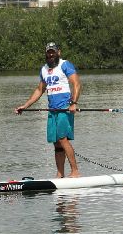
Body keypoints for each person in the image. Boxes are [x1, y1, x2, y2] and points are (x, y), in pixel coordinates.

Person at [16, 42, 81, 177]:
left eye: (53, 52)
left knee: (63, 139)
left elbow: (76, 84)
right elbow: (40, 90)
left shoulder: (65, 65)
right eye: (48, 52)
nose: (51, 54)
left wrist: (73, 103)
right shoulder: (44, 69)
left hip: (64, 108)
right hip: (52, 110)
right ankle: (60, 174)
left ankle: (75, 172)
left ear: (58, 52)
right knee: (56, 143)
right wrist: (25, 105)